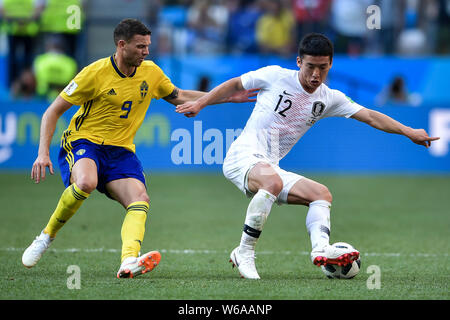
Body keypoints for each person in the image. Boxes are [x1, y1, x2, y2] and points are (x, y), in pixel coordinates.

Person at [175, 33, 439, 279]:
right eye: (310, 66)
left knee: (321, 194)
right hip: (242, 157)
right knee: (272, 182)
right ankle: (244, 252)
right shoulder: (275, 75)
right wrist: (201, 103)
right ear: (299, 61)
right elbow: (235, 83)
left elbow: (370, 115)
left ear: (331, 64)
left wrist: (408, 131)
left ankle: (321, 249)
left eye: (322, 68)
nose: (316, 74)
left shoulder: (330, 98)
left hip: (269, 166)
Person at [22, 18, 256, 279]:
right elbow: (52, 112)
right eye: (140, 46)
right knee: (86, 182)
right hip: (84, 141)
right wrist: (43, 153)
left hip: (121, 151)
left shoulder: (151, 72)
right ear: (122, 45)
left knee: (139, 199)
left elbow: (177, 95)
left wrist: (222, 97)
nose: (146, 51)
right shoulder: (94, 73)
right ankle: (45, 237)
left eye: (148, 46)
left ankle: (128, 261)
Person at [33, 35, 78, 101]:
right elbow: (72, 80)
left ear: (47, 46)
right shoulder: (70, 62)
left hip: (43, 95)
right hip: (64, 95)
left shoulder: (40, 60)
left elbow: (35, 77)